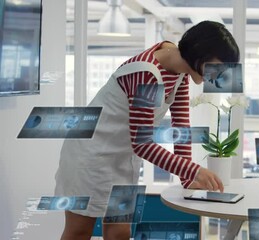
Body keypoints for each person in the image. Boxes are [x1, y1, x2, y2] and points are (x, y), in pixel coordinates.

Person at [54, 21, 240, 240]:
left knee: (119, 234)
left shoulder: (179, 70)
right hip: (90, 157)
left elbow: (180, 125)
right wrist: (193, 170)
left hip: (121, 160)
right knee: (79, 232)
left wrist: (186, 178)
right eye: (216, 68)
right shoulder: (147, 73)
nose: (216, 77)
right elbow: (142, 144)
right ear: (200, 53)